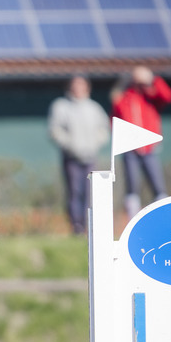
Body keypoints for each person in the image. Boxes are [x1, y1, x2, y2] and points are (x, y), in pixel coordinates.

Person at [47, 75, 110, 235]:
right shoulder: (60, 106)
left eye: (81, 86)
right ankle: (76, 227)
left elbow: (104, 129)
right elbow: (55, 131)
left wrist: (94, 145)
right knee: (74, 192)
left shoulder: (94, 108)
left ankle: (90, 227)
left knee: (90, 193)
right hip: (71, 158)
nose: (78, 89)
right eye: (75, 85)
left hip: (90, 157)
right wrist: (71, 146)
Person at [112, 66, 171, 218]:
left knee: (158, 186)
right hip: (130, 149)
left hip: (149, 149)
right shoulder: (124, 98)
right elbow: (115, 119)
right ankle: (132, 220)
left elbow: (168, 96)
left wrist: (152, 79)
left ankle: (164, 217)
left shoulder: (150, 95)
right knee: (132, 186)